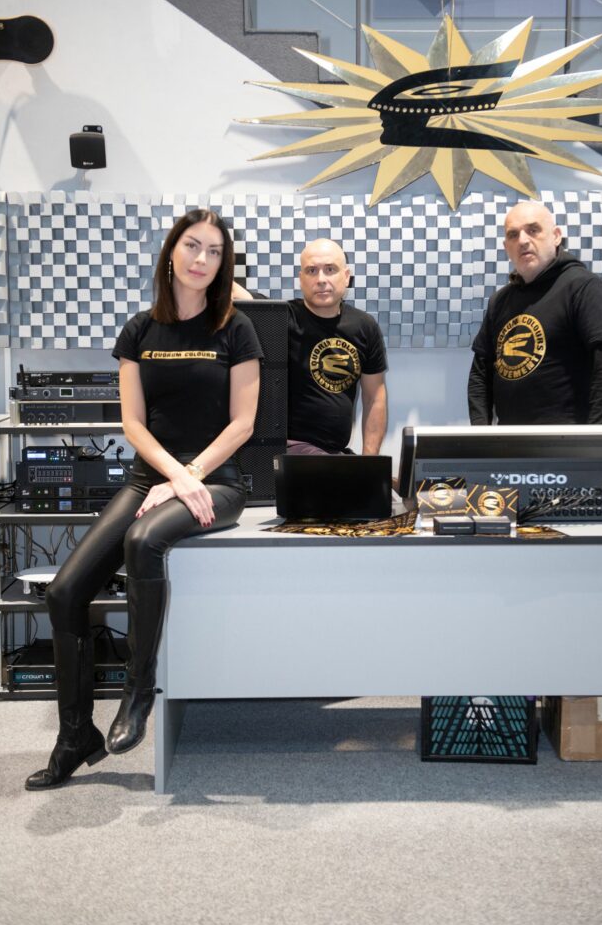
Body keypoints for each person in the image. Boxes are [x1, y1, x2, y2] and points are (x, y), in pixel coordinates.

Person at [25, 210, 262, 791]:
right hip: (148, 478)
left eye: (214, 251)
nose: (202, 259)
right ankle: (74, 735)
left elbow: (243, 424)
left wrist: (187, 477)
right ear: (171, 253)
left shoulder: (236, 328)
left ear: (224, 264)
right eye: (193, 246)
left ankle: (138, 690)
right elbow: (133, 423)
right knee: (64, 592)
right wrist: (170, 475)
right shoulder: (138, 331)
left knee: (143, 539)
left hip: (218, 483)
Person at [468, 200, 602, 425]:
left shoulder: (584, 288)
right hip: (507, 442)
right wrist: (481, 435)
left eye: (533, 230)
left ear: (556, 236)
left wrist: (594, 440)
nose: (523, 240)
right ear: (506, 247)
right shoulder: (500, 301)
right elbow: (480, 374)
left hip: (567, 442)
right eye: (513, 234)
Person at [286, 238, 388, 455]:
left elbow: (374, 397)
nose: (321, 279)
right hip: (290, 450)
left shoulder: (364, 326)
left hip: (335, 453)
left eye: (330, 269)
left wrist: (369, 463)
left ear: (346, 276)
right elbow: (238, 296)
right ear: (301, 279)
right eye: (312, 271)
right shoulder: (281, 319)